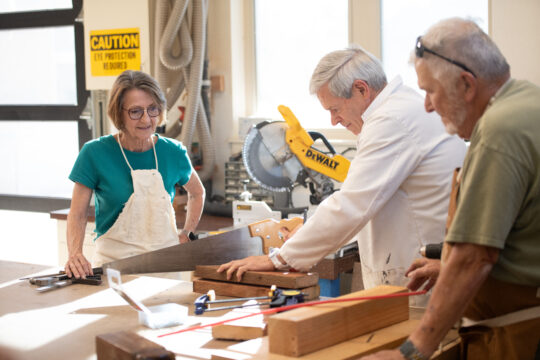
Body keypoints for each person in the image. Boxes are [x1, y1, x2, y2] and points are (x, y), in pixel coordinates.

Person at [218, 45, 466, 306]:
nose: (334, 120)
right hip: (417, 269)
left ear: (361, 89)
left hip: (418, 281)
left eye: (335, 109)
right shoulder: (399, 108)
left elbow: (352, 204)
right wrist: (308, 231)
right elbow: (369, 198)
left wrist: (278, 259)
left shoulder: (391, 121)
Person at [363, 18, 540, 360]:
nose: (427, 105)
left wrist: (411, 352)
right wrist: (447, 267)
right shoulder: (528, 103)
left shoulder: (499, 130)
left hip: (520, 339)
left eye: (430, 91)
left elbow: (474, 257)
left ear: (466, 85)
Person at [65, 70, 205, 278]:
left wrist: (186, 233)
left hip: (165, 267)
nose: (146, 119)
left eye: (152, 109)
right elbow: (77, 213)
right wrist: (75, 253)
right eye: (136, 111)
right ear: (118, 113)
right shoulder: (95, 153)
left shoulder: (173, 152)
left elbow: (197, 193)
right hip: (113, 267)